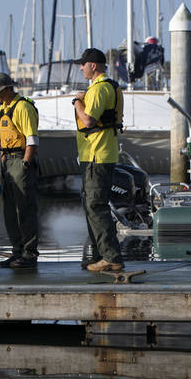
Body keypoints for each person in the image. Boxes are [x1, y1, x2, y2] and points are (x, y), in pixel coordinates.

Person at [72, 48, 124, 272]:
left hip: (97, 155)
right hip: (97, 153)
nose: (81, 68)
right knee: (91, 205)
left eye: (83, 64)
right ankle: (99, 256)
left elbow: (89, 120)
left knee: (95, 205)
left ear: (93, 65)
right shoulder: (108, 86)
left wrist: (76, 102)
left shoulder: (100, 89)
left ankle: (111, 257)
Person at [0, 72, 40, 270]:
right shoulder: (3, 108)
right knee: (10, 210)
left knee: (24, 209)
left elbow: (31, 139)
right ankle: (17, 250)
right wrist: (3, 159)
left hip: (19, 160)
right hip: (7, 161)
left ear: (9, 89)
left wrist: (26, 163)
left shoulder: (23, 107)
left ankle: (29, 253)